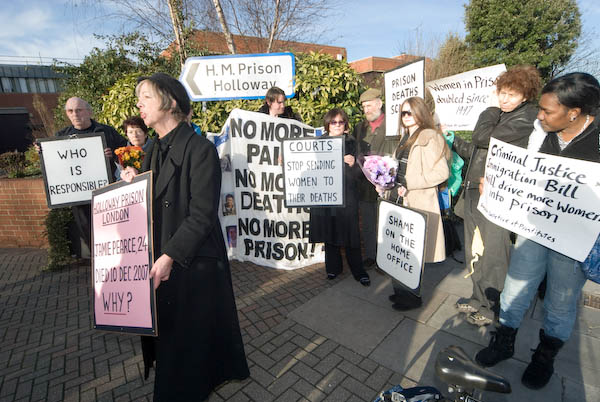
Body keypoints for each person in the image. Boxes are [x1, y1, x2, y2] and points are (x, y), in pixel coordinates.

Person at [121, 73, 249, 401]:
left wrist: (169, 256)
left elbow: (202, 214)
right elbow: (155, 198)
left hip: (191, 263)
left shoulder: (200, 149)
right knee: (172, 343)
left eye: (146, 96)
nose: (139, 104)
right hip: (165, 259)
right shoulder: (155, 149)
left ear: (172, 102)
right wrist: (133, 183)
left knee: (189, 347)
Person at [475, 72, 600, 390]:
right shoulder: (540, 132)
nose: (540, 116)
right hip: (533, 229)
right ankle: (503, 342)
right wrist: (497, 184)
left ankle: (544, 358)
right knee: (515, 289)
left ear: (574, 112)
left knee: (560, 300)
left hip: (572, 242)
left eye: (547, 111)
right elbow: (521, 171)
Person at [451, 66, 541, 326]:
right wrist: (454, 140)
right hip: (474, 190)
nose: (504, 99)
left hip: (497, 197)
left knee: (493, 254)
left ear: (526, 96)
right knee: (475, 251)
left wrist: (490, 109)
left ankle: (491, 307)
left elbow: (482, 137)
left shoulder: (527, 117)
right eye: (502, 93)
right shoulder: (503, 115)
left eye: (512, 94)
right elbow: (477, 150)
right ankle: (477, 298)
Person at [382, 97, 450, 310]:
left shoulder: (429, 137)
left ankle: (412, 297)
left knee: (412, 251)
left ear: (421, 113)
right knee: (398, 249)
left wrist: (410, 184)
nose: (406, 117)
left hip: (417, 201)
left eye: (410, 112)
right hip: (398, 199)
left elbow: (441, 173)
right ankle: (400, 291)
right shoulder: (405, 137)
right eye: (403, 113)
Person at [48, 97, 127, 255]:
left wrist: (114, 155)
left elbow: (126, 152)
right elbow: (54, 162)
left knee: (115, 233)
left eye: (79, 110)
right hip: (81, 200)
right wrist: (42, 151)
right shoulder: (61, 136)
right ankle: (101, 270)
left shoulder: (106, 131)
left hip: (107, 195)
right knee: (90, 236)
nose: (75, 114)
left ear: (89, 112)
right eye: (70, 111)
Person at [308, 108, 371, 286]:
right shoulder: (318, 143)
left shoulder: (354, 143)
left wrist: (355, 164)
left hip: (347, 194)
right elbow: (306, 165)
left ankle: (358, 271)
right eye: (333, 122)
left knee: (351, 233)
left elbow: (363, 173)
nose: (337, 125)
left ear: (345, 124)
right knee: (330, 231)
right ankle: (333, 269)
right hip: (326, 194)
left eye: (340, 122)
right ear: (327, 123)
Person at [352, 88, 401, 267]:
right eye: (364, 106)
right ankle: (372, 256)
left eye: (369, 105)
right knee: (368, 222)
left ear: (379, 103)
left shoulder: (395, 124)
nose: (367, 110)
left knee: (386, 221)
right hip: (365, 186)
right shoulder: (359, 128)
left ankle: (387, 256)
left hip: (387, 184)